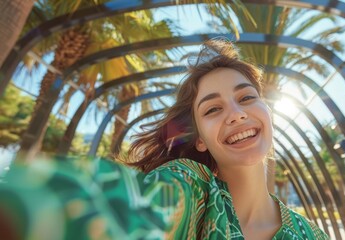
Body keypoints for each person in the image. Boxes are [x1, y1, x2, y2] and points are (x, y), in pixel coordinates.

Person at [121, 38, 329, 239]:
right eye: (213, 109)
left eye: (246, 97)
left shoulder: (312, 236)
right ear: (199, 139)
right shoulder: (190, 189)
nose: (236, 114)